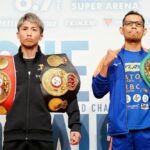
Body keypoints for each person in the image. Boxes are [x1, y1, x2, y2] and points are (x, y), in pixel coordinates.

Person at [3, 12, 81, 150]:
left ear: (41, 36)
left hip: (42, 137)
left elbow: (70, 96)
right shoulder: (7, 66)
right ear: (17, 34)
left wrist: (75, 126)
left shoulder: (52, 66)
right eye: (25, 29)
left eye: (34, 29)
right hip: (12, 137)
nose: (29, 33)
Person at [92, 10, 150, 150]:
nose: (134, 27)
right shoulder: (111, 58)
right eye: (129, 23)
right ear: (121, 29)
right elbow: (97, 91)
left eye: (138, 24)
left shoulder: (149, 58)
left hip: (147, 130)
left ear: (144, 30)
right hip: (121, 132)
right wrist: (106, 65)